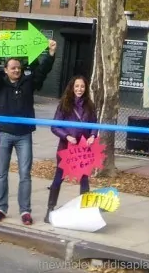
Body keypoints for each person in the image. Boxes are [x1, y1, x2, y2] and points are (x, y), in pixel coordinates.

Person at [0, 39, 57, 225]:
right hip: (5, 134)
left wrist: (50, 54)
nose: (16, 70)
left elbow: (42, 72)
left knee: (25, 174)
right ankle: (0, 208)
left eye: (18, 67)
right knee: (2, 173)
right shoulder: (1, 85)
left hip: (24, 135)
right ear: (7, 70)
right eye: (12, 68)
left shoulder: (28, 83)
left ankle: (25, 210)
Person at [44, 75, 98, 223]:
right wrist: (67, 136)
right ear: (72, 88)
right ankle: (50, 209)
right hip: (66, 148)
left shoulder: (90, 105)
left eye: (82, 86)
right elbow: (55, 126)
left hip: (83, 149)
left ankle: (85, 212)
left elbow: (94, 123)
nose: (79, 89)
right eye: (76, 86)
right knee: (58, 178)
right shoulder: (64, 104)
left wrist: (93, 136)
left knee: (84, 179)